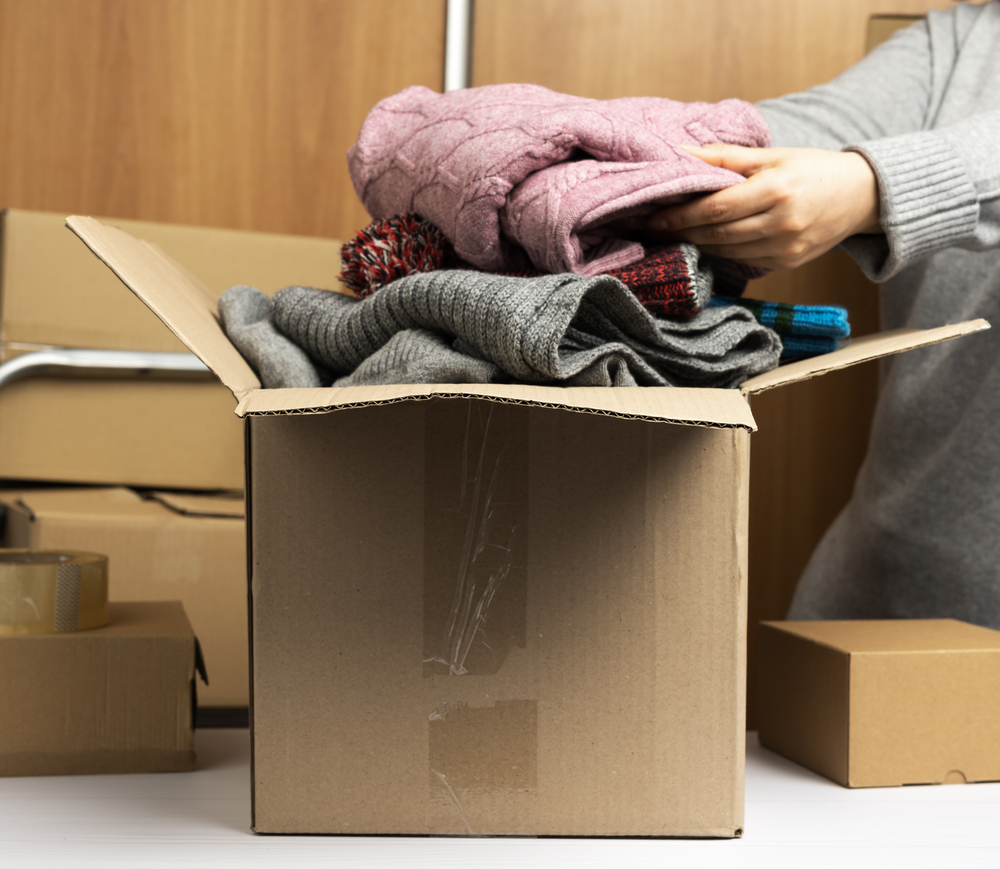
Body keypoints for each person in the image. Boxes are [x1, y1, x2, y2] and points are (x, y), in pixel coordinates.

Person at [648, 1, 1000, 629]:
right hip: (884, 598)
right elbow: (785, 132)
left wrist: (875, 185)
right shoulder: (966, 40)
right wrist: (620, 152)